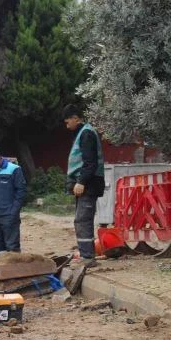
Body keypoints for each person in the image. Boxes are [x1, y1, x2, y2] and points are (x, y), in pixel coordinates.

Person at [62, 104, 106, 267]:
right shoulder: (83, 133)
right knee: (80, 220)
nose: (67, 126)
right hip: (86, 183)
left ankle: (88, 257)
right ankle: (86, 254)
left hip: (89, 184)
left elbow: (90, 162)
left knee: (82, 219)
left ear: (75, 118)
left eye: (68, 122)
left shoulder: (86, 133)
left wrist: (81, 182)